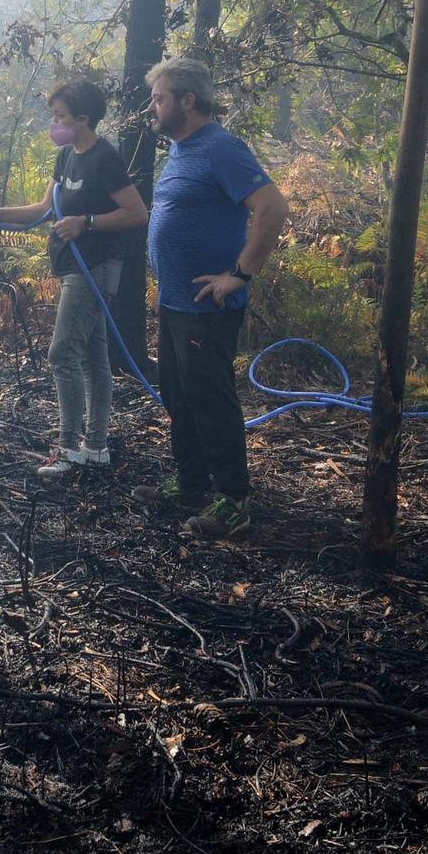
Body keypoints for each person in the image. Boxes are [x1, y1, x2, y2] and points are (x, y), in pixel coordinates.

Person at [133, 57, 289, 539]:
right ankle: (192, 483)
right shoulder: (182, 148)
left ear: (187, 101)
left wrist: (238, 275)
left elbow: (272, 206)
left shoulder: (221, 148)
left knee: (210, 398)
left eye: (159, 98)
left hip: (208, 307)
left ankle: (234, 500)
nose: (152, 107)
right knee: (179, 394)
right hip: (177, 303)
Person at [0, 80, 150, 478]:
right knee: (93, 358)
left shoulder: (104, 158)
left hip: (95, 268)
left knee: (62, 353)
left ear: (83, 119)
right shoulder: (67, 155)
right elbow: (45, 208)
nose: (55, 123)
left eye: (60, 117)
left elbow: (137, 213)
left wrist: (87, 223)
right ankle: (96, 447)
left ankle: (69, 448)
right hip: (72, 265)